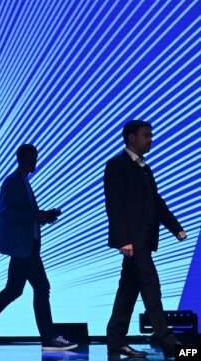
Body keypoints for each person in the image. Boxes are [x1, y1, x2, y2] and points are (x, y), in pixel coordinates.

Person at [0, 144, 78, 351]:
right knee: (41, 287)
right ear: (20, 158)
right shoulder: (12, 182)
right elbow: (5, 212)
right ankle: (49, 337)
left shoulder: (23, 182)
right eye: (30, 158)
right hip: (23, 248)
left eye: (35, 158)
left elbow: (25, 213)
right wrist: (35, 216)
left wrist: (43, 215)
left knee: (13, 290)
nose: (33, 162)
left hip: (27, 246)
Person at [105, 120, 187, 359]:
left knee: (128, 291)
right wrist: (124, 240)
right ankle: (170, 343)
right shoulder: (116, 165)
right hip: (132, 241)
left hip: (144, 240)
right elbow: (114, 205)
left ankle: (115, 341)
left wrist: (176, 228)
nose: (150, 139)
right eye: (146, 135)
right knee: (151, 286)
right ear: (132, 138)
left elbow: (156, 201)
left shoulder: (144, 168)